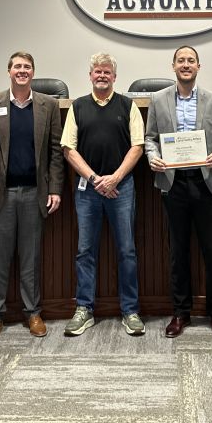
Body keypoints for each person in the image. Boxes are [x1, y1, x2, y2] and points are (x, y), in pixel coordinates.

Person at [0, 51, 64, 343]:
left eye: (27, 67)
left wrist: (56, 189)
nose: (22, 71)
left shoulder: (48, 105)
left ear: (33, 72)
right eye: (17, 67)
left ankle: (32, 313)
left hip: (36, 194)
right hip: (1, 196)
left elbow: (55, 153)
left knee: (31, 257)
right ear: (9, 72)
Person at [144, 45, 212, 340]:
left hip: (206, 184)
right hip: (173, 184)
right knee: (177, 253)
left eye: (190, 61)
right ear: (173, 66)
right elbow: (150, 138)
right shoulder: (157, 99)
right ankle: (180, 313)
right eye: (181, 60)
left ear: (198, 66)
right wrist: (152, 157)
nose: (185, 65)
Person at [61, 52, 145, 337]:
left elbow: (137, 147)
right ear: (90, 75)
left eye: (107, 72)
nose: (102, 75)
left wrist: (115, 178)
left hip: (122, 187)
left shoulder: (128, 105)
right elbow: (68, 149)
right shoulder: (78, 107)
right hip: (88, 189)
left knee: (127, 250)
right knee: (85, 251)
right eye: (97, 71)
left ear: (114, 76)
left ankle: (130, 310)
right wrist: (96, 179)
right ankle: (84, 309)